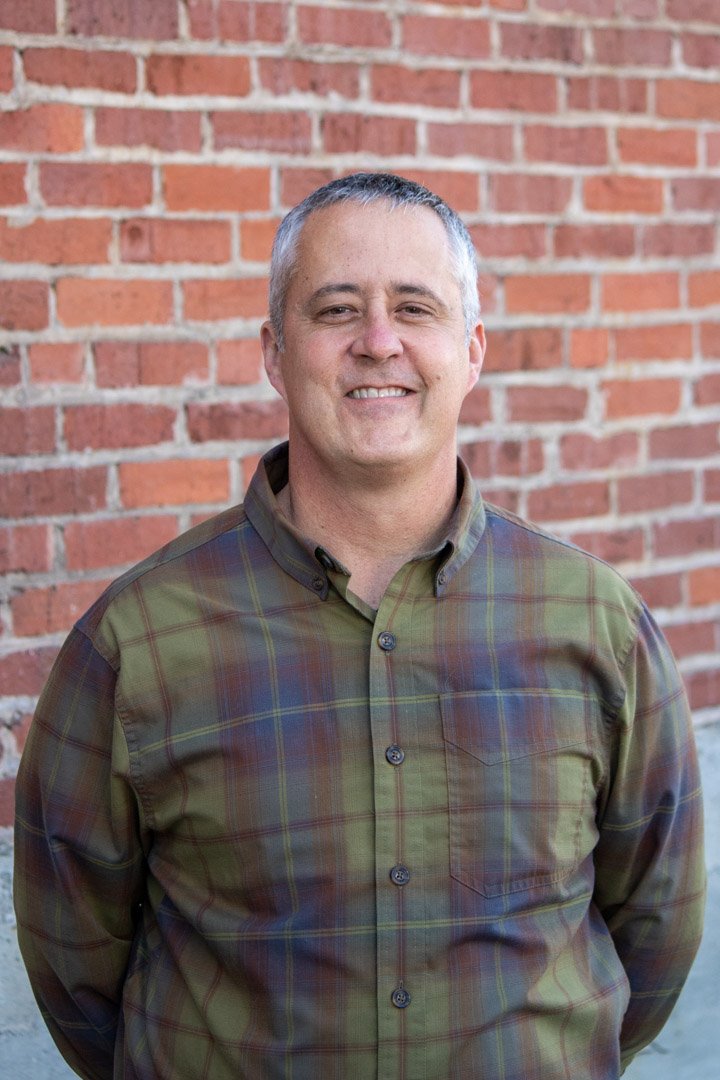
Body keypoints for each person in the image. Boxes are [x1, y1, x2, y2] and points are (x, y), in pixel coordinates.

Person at [15, 172, 705, 1080]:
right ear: (274, 351)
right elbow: (76, 964)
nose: (379, 344)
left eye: (414, 308)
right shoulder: (136, 642)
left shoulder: (597, 626)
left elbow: (653, 934)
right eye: (337, 310)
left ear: (472, 350)